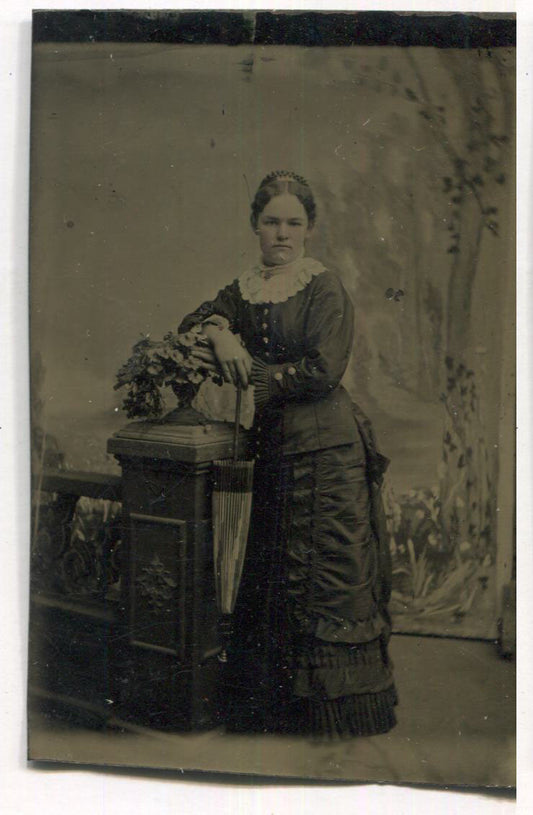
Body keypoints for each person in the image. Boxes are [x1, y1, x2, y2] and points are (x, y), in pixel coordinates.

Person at [178, 171, 397, 737]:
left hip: (328, 445)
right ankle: (279, 708)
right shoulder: (247, 286)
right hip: (276, 444)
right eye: (272, 221)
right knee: (278, 569)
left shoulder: (323, 285)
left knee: (324, 572)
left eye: (293, 223)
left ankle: (330, 712)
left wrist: (257, 376)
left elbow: (325, 369)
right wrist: (222, 332)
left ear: (309, 229)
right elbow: (196, 318)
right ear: (256, 225)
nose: (282, 233)